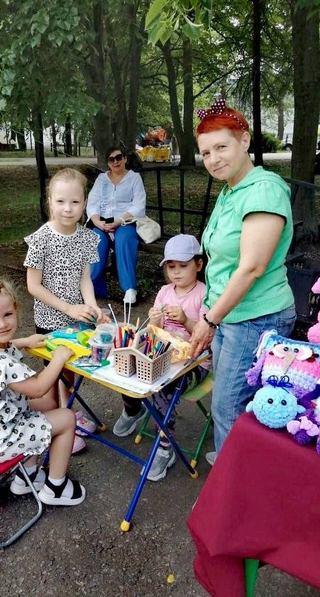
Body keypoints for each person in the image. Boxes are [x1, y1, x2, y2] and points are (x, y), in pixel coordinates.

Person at [189, 97, 296, 465]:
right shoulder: (231, 189)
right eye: (206, 153)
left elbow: (250, 267)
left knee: (229, 407)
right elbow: (222, 262)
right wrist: (210, 312)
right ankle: (235, 469)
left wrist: (208, 319)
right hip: (229, 315)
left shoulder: (263, 189)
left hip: (254, 317)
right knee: (231, 402)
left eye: (221, 147)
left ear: (245, 140)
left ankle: (233, 485)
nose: (213, 159)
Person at [0, 278, 86, 507]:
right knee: (66, 418)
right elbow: (38, 388)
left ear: (15, 310)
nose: (2, 324)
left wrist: (25, 341)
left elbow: (6, 345)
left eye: (7, 314)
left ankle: (27, 476)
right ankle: (56, 488)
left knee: (46, 407)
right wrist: (58, 358)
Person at [113, 234, 211, 481]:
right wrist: (155, 322)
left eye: (183, 266)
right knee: (129, 364)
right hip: (164, 356)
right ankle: (133, 410)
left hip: (195, 362)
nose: (176, 272)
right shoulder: (165, 292)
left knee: (163, 387)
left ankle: (165, 447)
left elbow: (205, 337)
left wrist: (186, 320)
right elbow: (155, 333)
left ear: (198, 264)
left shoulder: (205, 294)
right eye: (171, 266)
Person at [24, 167, 107, 454]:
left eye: (75, 201)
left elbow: (85, 280)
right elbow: (33, 286)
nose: (68, 208)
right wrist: (68, 308)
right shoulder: (41, 239)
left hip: (77, 317)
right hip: (50, 319)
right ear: (50, 201)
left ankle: (67, 412)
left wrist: (93, 308)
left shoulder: (86, 237)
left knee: (70, 371)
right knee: (55, 373)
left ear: (84, 203)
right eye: (60, 201)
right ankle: (59, 426)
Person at [86, 144, 146, 304]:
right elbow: (92, 203)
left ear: (125, 159)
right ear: (108, 163)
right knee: (96, 240)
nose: (115, 162)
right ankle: (91, 285)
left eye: (118, 157)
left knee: (124, 239)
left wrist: (119, 221)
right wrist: (98, 222)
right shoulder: (101, 179)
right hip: (103, 221)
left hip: (125, 221)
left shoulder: (134, 178)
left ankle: (129, 289)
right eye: (111, 159)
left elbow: (139, 205)